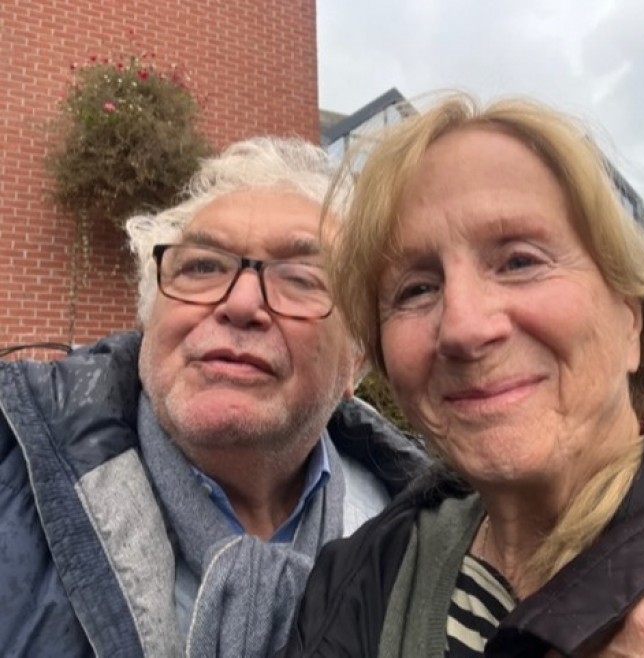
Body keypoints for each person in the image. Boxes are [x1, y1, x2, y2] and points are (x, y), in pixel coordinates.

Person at [289, 94, 644, 658]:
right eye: (417, 289)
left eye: (520, 261)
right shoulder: (354, 582)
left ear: (632, 321)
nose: (464, 327)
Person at [0, 137, 429, 657]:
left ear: (356, 361)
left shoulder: (423, 538)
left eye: (301, 278)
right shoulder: (11, 475)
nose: (241, 303)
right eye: (202, 267)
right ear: (151, 319)